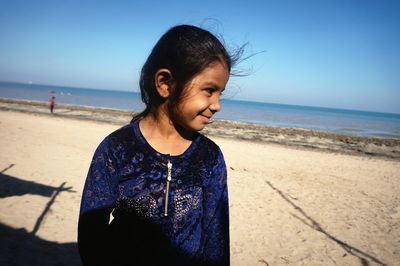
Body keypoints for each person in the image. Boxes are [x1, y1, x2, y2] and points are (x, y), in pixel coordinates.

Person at [78, 24, 242, 266]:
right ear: (165, 83)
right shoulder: (117, 148)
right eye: (209, 91)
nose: (217, 105)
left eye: (220, 94)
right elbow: (92, 236)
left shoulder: (209, 157)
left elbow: (216, 237)